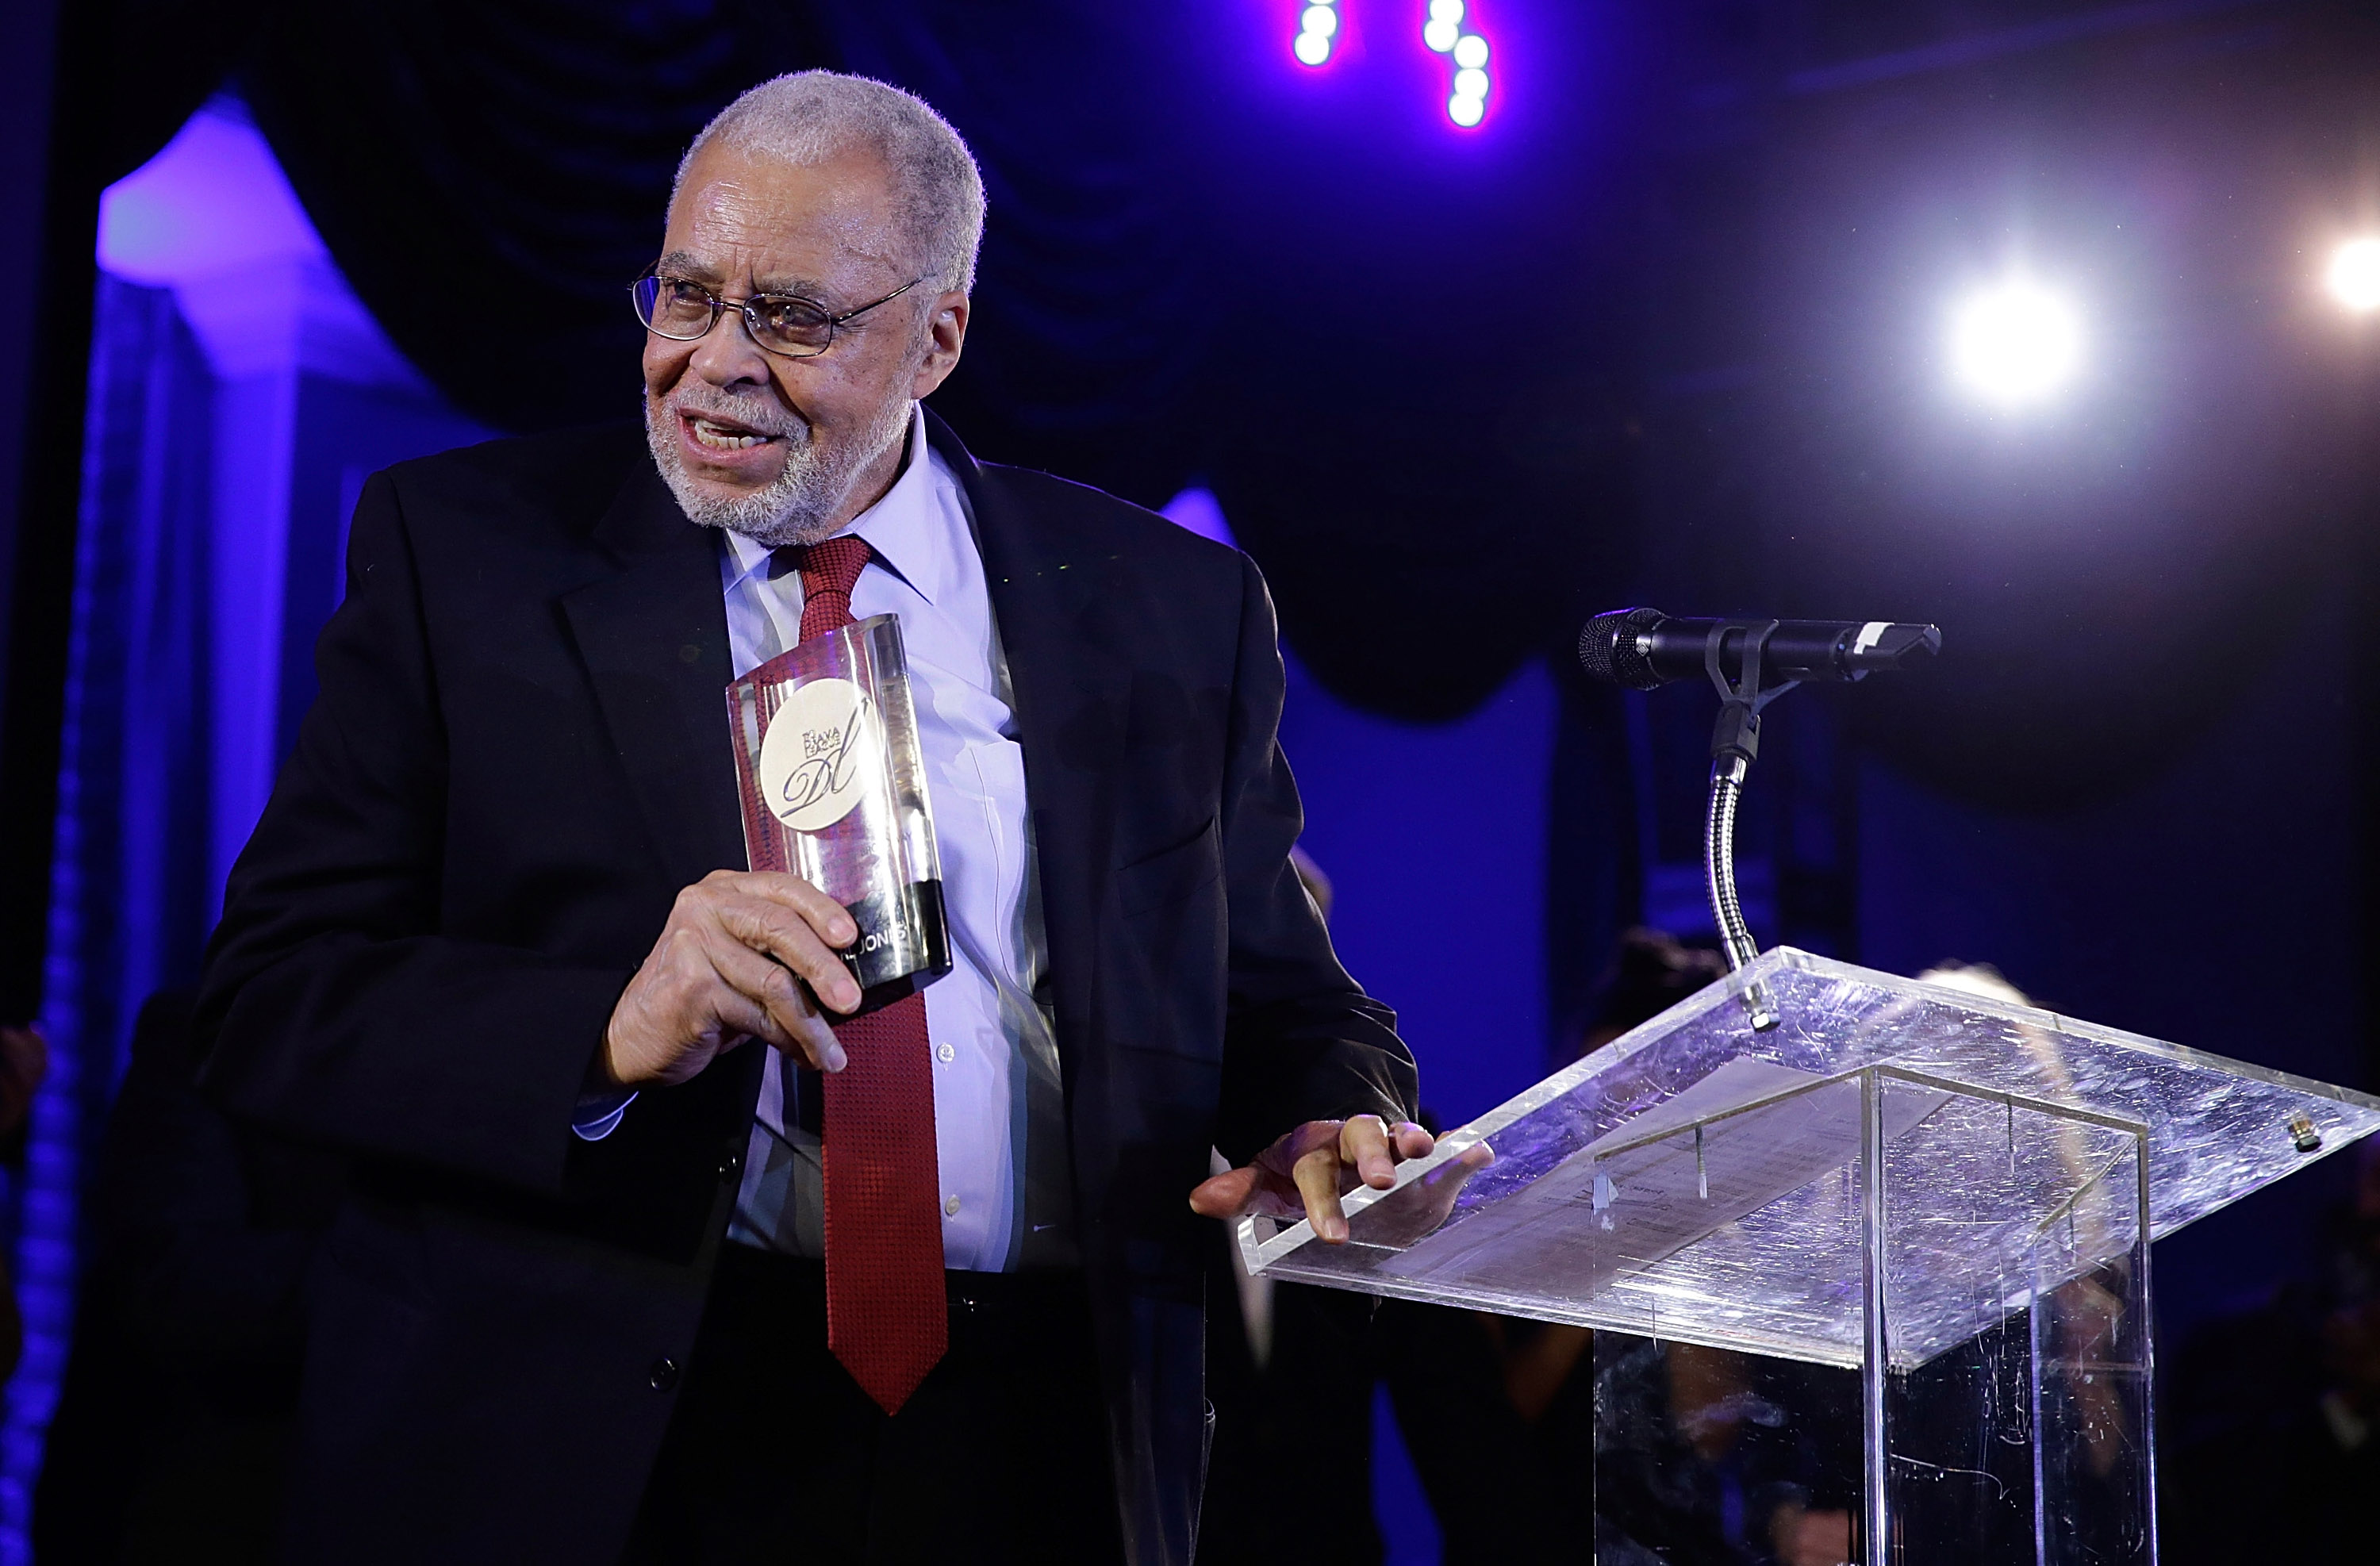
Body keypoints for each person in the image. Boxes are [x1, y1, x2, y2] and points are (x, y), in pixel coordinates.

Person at [194, 71, 1445, 1566]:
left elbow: (1287, 1001)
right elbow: (272, 995)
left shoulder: (1169, 608)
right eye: (684, 295)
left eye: (791, 316)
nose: (712, 363)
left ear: (939, 337)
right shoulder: (463, 557)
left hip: (1041, 1440)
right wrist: (606, 1026)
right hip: (604, 1434)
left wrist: (1329, 1115)